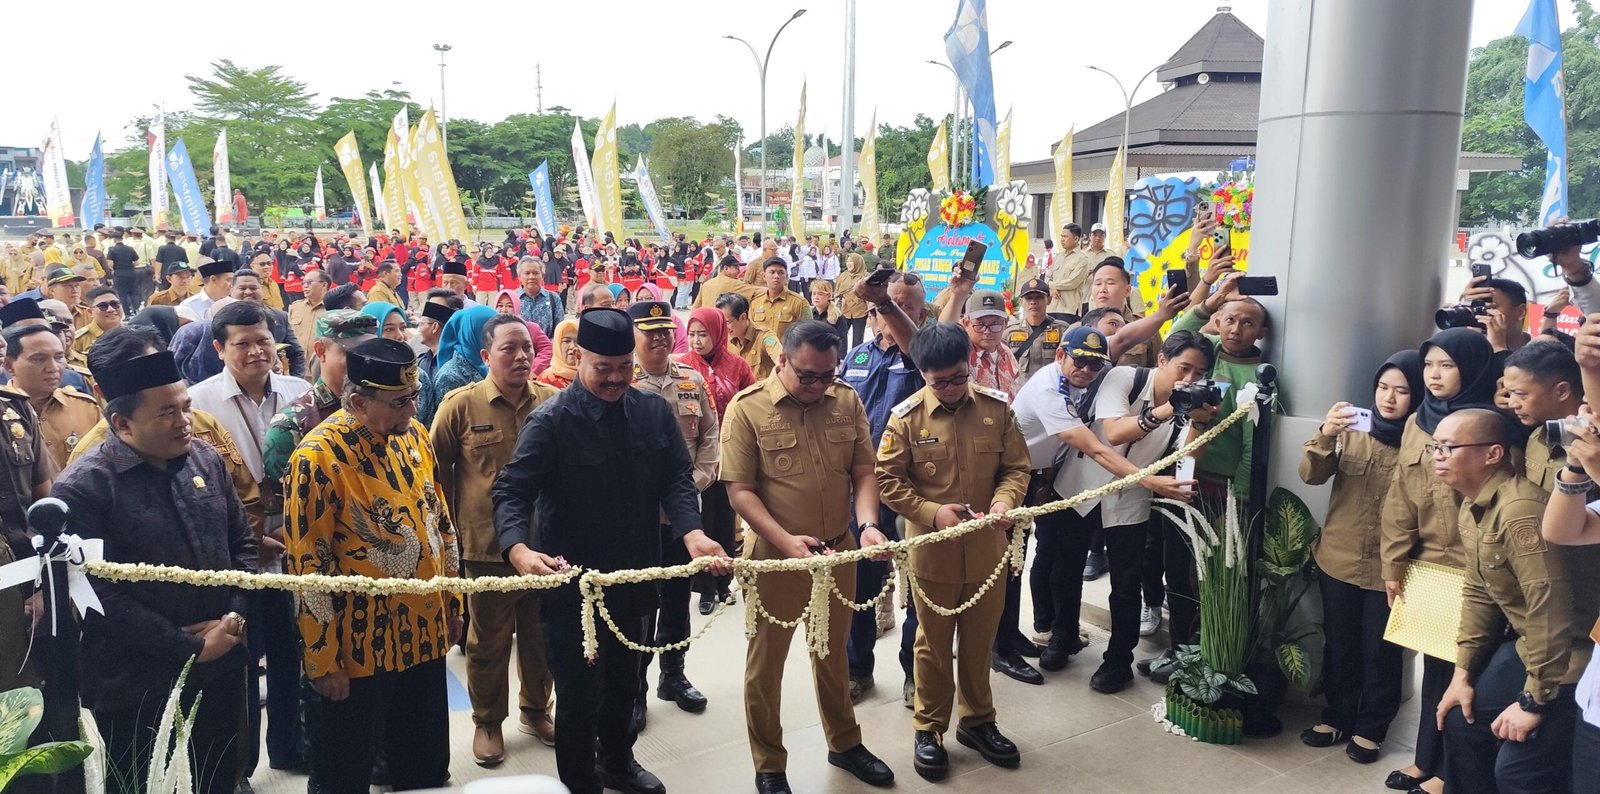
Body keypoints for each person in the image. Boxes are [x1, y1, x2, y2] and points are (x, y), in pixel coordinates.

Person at [491, 307, 730, 794]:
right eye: (604, 368)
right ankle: (581, 782)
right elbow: (511, 491)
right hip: (573, 585)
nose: (617, 378)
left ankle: (617, 762)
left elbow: (676, 480)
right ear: (578, 357)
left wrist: (692, 532)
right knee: (578, 696)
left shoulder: (651, 411)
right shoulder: (552, 420)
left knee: (626, 682)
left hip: (637, 575)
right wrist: (517, 548)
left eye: (625, 367)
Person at [55, 345, 254, 794]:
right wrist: (186, 646)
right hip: (135, 683)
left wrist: (235, 619)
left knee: (218, 778)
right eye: (166, 413)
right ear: (122, 423)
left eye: (185, 407)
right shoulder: (85, 487)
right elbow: (96, 594)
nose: (184, 421)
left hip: (220, 664)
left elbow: (243, 548)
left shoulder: (205, 459)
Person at [721, 320, 895, 794]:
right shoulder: (748, 408)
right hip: (776, 560)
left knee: (832, 653)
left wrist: (868, 526)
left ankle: (844, 742)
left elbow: (863, 473)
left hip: (838, 551)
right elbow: (739, 492)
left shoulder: (846, 401)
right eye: (807, 376)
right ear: (783, 361)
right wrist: (784, 540)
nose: (818, 386)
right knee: (766, 665)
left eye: (827, 375)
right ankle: (770, 763)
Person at [284, 338, 459, 792]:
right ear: (358, 402)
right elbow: (308, 566)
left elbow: (441, 522)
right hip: (356, 651)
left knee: (424, 768)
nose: (412, 410)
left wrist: (454, 604)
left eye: (415, 397)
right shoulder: (317, 458)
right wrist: (322, 661)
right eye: (400, 402)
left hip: (424, 637)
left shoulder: (414, 435)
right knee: (344, 774)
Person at [875, 322, 1031, 781]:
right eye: (937, 380)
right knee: (933, 647)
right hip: (933, 554)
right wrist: (930, 511)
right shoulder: (905, 418)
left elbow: (1016, 467)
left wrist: (1006, 500)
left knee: (981, 642)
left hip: (987, 551)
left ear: (970, 365)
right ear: (922, 373)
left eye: (957, 377)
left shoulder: (996, 409)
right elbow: (887, 480)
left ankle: (978, 721)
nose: (948, 388)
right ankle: (929, 727)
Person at [1432, 409, 1600, 794]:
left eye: (1448, 447)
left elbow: (1550, 607)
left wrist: (1533, 701)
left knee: (1519, 773)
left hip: (1570, 655)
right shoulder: (1471, 503)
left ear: (1492, 454)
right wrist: (1463, 673)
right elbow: (1478, 593)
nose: (1437, 455)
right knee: (1460, 720)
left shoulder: (1519, 511)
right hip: (1530, 644)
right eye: (1435, 447)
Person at [432, 314, 561, 764]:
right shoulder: (460, 406)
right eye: (509, 348)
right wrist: (449, 536)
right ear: (486, 356)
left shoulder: (552, 401)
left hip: (543, 545)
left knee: (540, 636)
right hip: (485, 546)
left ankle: (535, 710)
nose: (522, 356)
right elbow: (437, 472)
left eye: (527, 347)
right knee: (486, 643)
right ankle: (487, 722)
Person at [1381, 328, 1501, 794]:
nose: (1434, 374)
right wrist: (1394, 565)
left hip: (1475, 572)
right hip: (1429, 566)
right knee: (1434, 669)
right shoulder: (1417, 421)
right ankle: (1424, 761)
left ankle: (1450, 771)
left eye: (1447, 365)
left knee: (1467, 671)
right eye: (1430, 364)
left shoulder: (1491, 427)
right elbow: (1399, 499)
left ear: (1470, 369)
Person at [1065, 331, 1217, 694]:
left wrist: (1200, 421)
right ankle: (1062, 637)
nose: (1190, 380)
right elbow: (1114, 433)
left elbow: (1187, 463)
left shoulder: (1191, 405)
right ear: (1162, 360)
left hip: (1131, 496)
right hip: (1081, 485)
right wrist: (1170, 408)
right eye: (1184, 368)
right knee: (1065, 568)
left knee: (1126, 585)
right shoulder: (1126, 377)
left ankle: (1118, 661)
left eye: (1200, 373)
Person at [1297, 350, 1423, 762]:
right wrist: (1326, 434)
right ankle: (1337, 716)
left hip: (1394, 568)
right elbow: (1311, 475)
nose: (1389, 398)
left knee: (1382, 651)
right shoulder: (1353, 427)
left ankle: (1372, 727)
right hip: (1340, 556)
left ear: (1417, 394)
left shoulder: (1426, 437)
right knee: (1341, 645)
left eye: (1402, 391)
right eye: (1383, 388)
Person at [837, 271, 929, 704]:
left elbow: (920, 353)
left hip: (914, 490)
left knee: (917, 586)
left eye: (902, 304)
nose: (887, 312)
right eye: (880, 305)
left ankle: (915, 674)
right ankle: (857, 670)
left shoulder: (924, 354)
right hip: (862, 491)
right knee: (860, 586)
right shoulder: (856, 355)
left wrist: (890, 308)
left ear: (920, 312)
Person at [627, 300, 718, 726]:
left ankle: (673, 675)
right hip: (639, 516)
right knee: (640, 604)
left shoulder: (690, 379)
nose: (661, 338)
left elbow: (710, 437)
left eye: (666, 330)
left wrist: (693, 484)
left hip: (683, 516)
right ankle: (636, 688)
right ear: (633, 336)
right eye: (650, 331)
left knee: (679, 599)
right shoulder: (621, 382)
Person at [676, 307, 755, 613]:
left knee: (725, 520)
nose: (696, 341)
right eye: (692, 334)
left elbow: (750, 407)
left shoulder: (737, 367)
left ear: (719, 333)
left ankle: (723, 583)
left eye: (703, 334)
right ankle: (705, 587)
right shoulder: (681, 367)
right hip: (694, 460)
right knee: (700, 522)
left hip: (730, 457)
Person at [2, 324, 99, 470]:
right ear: (9, 365)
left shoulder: (85, 408)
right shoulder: (4, 409)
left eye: (59, 357)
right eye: (39, 359)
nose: (53, 367)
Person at [1501, 341, 1585, 491]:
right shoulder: (1535, 438)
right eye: (1509, 393)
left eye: (1520, 394)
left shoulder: (1592, 449)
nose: (1512, 403)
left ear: (1561, 391)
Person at [1006, 278, 1075, 384]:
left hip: (1049, 392)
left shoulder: (1062, 330)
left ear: (1049, 299)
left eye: (1039, 298)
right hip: (1019, 394)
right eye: (1029, 298)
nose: (1033, 302)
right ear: (1021, 302)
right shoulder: (1010, 331)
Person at [719, 292, 781, 381]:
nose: (723, 327)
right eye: (720, 322)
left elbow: (781, 360)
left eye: (727, 322)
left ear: (743, 317)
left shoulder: (765, 337)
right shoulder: (723, 339)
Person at [287, 270, 331, 375]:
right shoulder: (296, 306)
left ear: (324, 284)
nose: (305, 286)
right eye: (303, 283)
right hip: (297, 368)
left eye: (309, 282)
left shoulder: (333, 309)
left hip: (322, 369)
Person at [70, 285, 122, 365]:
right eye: (103, 306)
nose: (111, 309)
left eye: (115, 304)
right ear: (90, 312)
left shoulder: (134, 333)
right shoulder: (77, 340)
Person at [417, 290, 461, 381]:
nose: (419, 329)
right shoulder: (422, 360)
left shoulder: (456, 363)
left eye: (421, 324)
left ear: (435, 327)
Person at [1047, 223, 1089, 318]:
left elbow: (1072, 282)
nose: (1062, 239)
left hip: (1069, 310)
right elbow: (1047, 277)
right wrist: (1052, 288)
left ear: (1076, 239)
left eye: (1065, 236)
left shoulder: (1082, 259)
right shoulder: (1058, 257)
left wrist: (1052, 285)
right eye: (1061, 236)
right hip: (1051, 307)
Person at [517, 257, 565, 337]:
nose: (531, 277)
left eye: (536, 273)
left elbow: (559, 329)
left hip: (547, 347)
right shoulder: (512, 299)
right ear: (519, 277)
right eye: (527, 273)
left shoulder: (553, 298)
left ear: (542, 276)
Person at [835, 253, 871, 349]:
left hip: (860, 312)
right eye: (847, 261)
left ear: (858, 263)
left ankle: (855, 360)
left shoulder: (865, 277)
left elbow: (870, 298)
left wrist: (870, 316)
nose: (848, 263)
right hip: (844, 311)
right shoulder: (843, 276)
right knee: (840, 337)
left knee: (858, 340)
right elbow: (836, 292)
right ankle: (840, 360)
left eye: (851, 261)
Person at [539, 318, 580, 390]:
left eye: (577, 341)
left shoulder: (590, 376)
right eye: (566, 341)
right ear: (557, 345)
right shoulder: (546, 379)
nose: (573, 347)